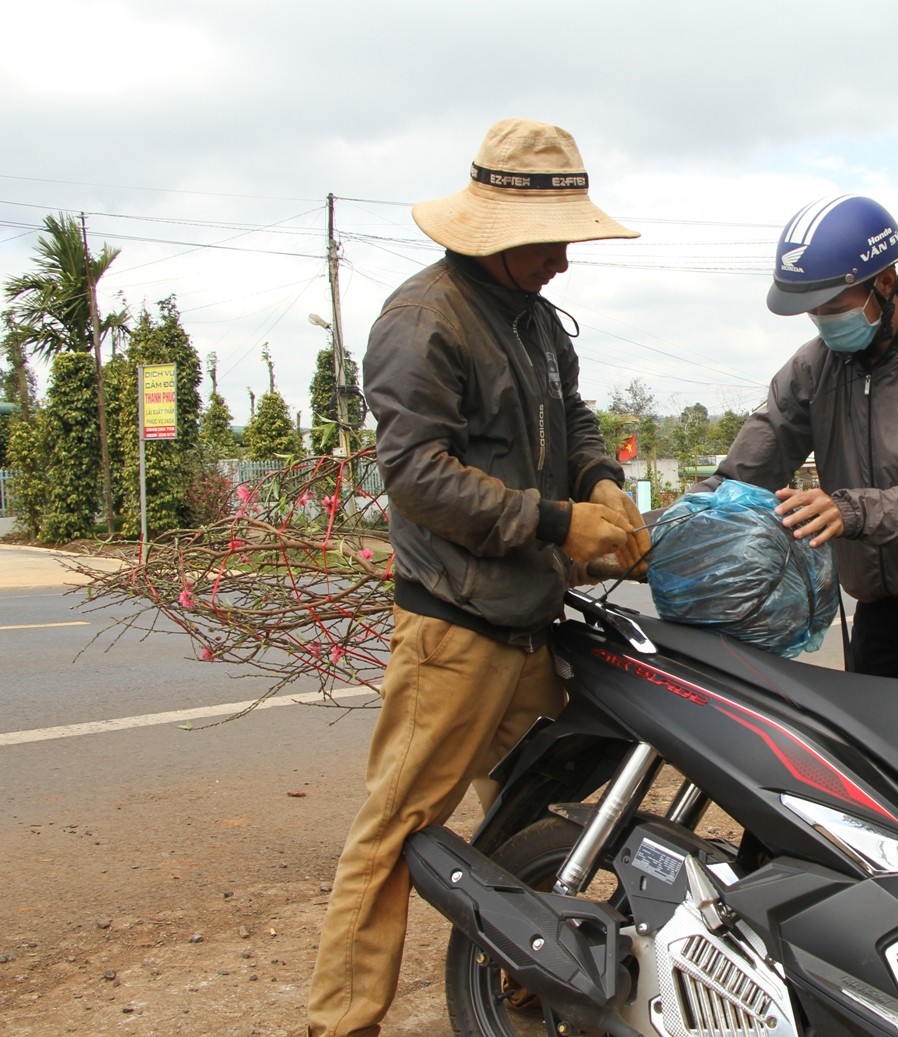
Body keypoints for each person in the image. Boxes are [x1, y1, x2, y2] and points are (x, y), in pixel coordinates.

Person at [306, 118, 650, 1037]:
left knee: (534, 810)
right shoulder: (422, 322)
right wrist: (555, 521)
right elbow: (417, 474)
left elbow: (571, 417)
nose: (564, 262)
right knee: (396, 827)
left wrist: (600, 485)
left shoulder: (534, 320)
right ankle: (341, 1019)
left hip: (529, 619)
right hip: (454, 630)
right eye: (551, 242)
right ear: (494, 233)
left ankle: (524, 982)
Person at [697, 194, 898, 715]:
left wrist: (847, 511)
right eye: (812, 311)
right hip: (878, 604)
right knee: (869, 753)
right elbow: (749, 464)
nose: (822, 320)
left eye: (834, 306)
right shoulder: (813, 366)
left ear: (885, 283)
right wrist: (682, 523)